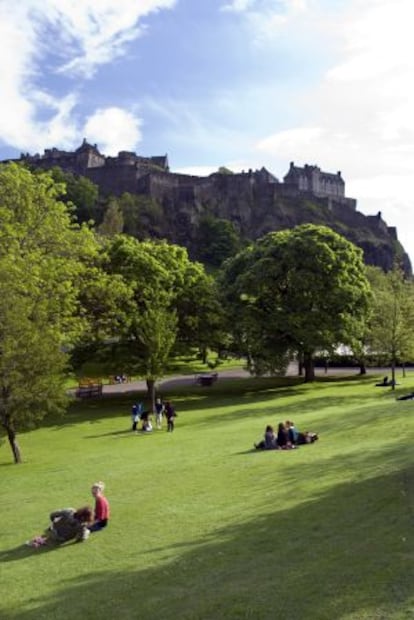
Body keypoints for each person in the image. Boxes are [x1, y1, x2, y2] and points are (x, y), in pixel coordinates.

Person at [26, 506, 93, 547]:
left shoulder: (69, 511)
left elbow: (52, 514)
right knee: (87, 531)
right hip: (62, 539)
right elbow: (81, 538)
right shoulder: (82, 526)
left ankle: (48, 533)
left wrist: (53, 522)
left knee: (58, 522)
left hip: (52, 530)